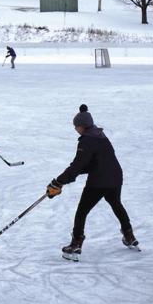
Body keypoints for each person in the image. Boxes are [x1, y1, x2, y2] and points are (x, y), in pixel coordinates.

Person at [47, 104, 137, 260]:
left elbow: (77, 165)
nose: (75, 129)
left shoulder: (86, 140)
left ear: (82, 126)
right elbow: (92, 163)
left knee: (82, 211)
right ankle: (129, 235)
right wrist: (63, 180)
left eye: (76, 127)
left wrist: (58, 182)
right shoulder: (100, 136)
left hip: (99, 181)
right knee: (116, 204)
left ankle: (76, 244)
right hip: (115, 177)